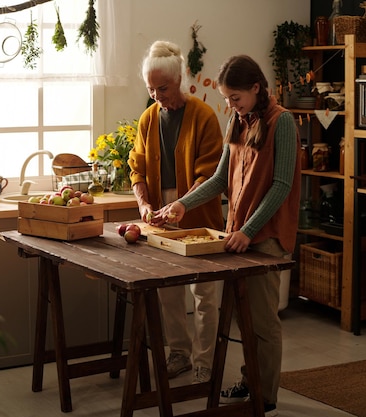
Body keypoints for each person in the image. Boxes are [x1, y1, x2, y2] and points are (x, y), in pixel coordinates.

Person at [165, 55, 301, 417]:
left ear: (256, 88)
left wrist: (249, 230)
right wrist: (182, 204)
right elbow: (220, 180)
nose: (230, 104)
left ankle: (265, 394)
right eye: (227, 98)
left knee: (262, 319)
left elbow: (282, 186)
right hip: (238, 232)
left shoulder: (281, 123)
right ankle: (250, 378)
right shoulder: (238, 121)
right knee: (244, 317)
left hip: (266, 236)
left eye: (235, 97)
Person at [128, 40, 225, 384]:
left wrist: (182, 204)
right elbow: (136, 168)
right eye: (150, 89)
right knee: (168, 292)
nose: (156, 96)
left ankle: (206, 361)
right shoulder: (148, 119)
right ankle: (180, 354)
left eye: (163, 88)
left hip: (198, 213)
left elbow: (210, 175)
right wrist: (143, 204)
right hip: (161, 217)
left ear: (180, 80)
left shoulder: (204, 116)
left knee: (204, 295)